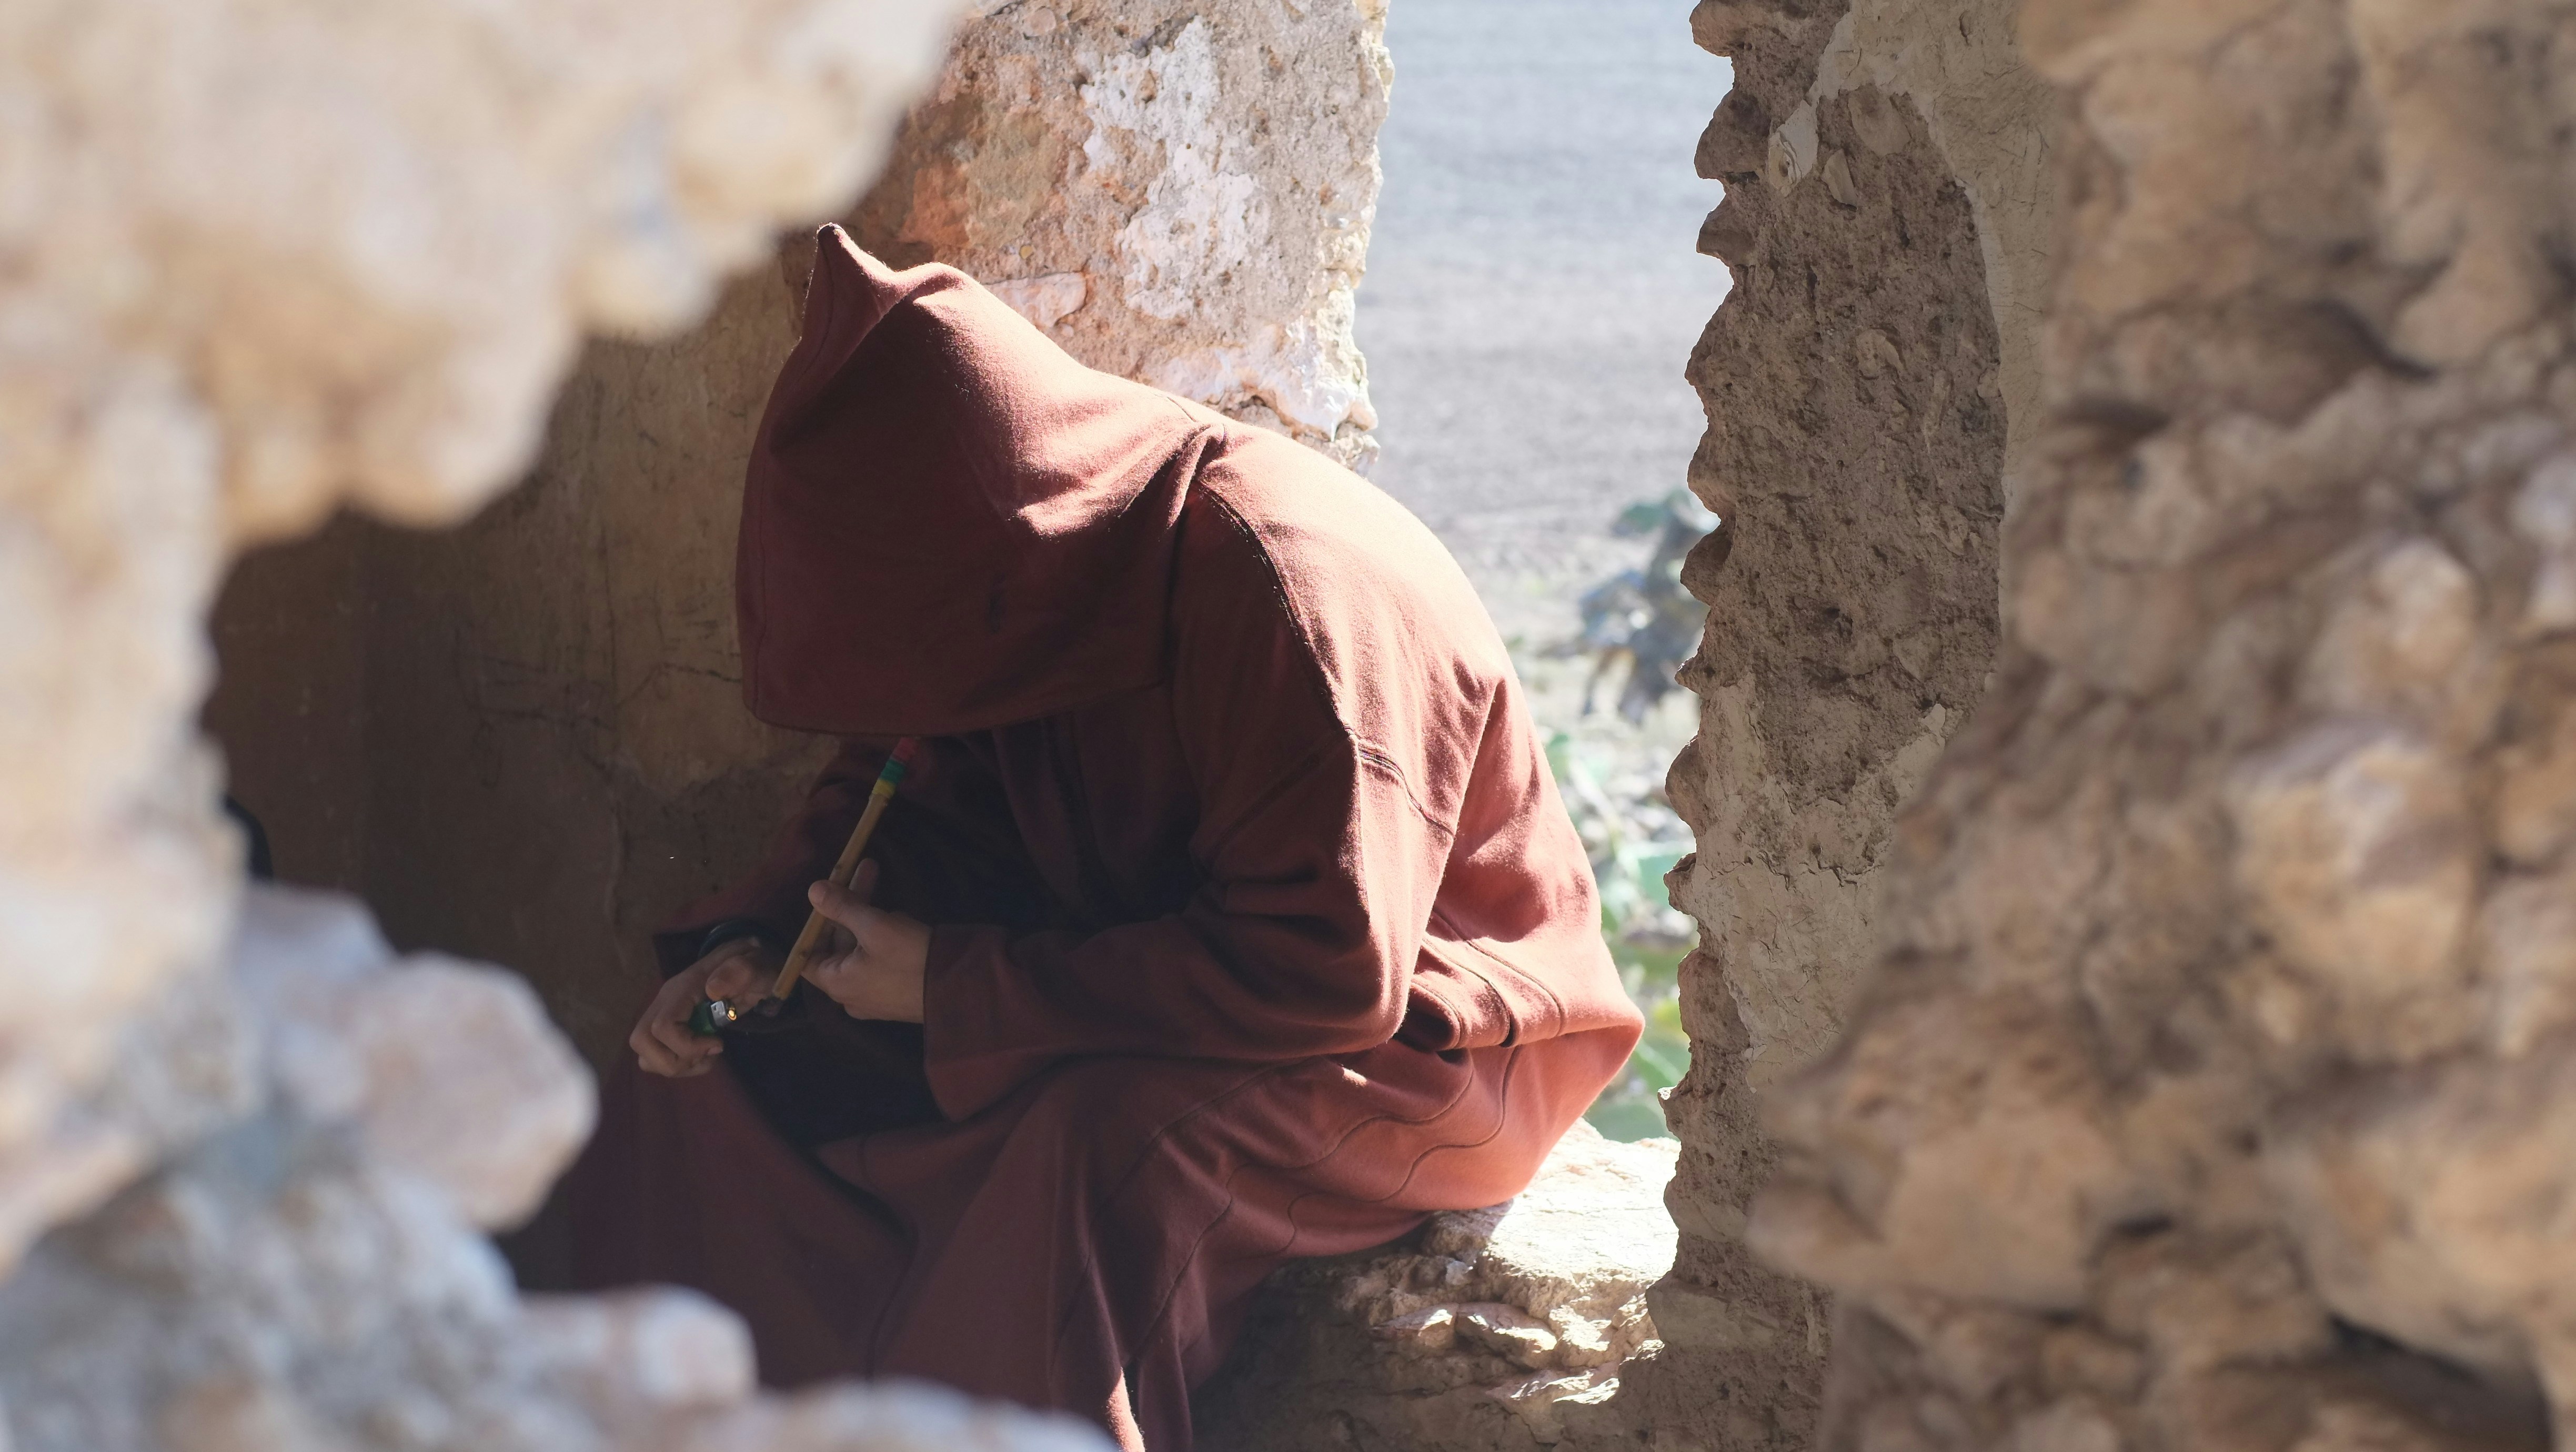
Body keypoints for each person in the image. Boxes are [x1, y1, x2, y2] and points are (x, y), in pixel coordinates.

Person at [549, 226, 1642, 1452]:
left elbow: (1332, 967)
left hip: (1427, 1039)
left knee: (1097, 1152)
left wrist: (957, 989)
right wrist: (764, 952)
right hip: (1142, 972)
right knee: (719, 1074)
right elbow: (901, 790)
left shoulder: (1289, 586)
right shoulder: (1025, 582)